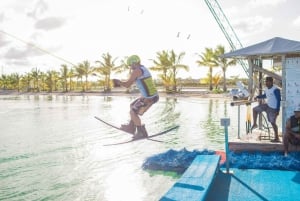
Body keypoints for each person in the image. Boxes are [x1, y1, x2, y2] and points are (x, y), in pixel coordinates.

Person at [113, 55, 159, 139]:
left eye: (130, 65)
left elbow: (127, 85)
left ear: (134, 63)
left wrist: (119, 82)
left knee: (133, 112)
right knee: (132, 105)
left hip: (149, 98)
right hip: (150, 96)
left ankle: (142, 133)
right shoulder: (143, 68)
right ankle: (131, 127)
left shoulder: (137, 71)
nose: (130, 67)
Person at [251, 76, 281, 142]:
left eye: (267, 81)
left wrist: (278, 110)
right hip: (267, 105)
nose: (266, 83)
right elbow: (265, 95)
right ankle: (255, 124)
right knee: (254, 109)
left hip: (273, 108)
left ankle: (277, 138)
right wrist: (257, 97)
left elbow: (279, 100)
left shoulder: (276, 89)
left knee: (273, 122)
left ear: (271, 82)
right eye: (265, 81)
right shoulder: (266, 89)